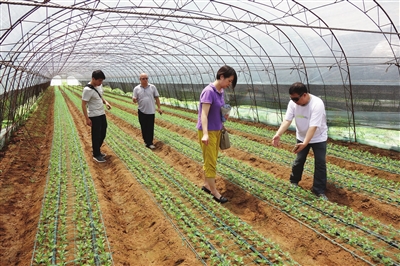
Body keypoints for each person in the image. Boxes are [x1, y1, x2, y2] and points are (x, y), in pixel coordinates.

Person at [272, 82, 329, 200]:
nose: (294, 101)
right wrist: (278, 134)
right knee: (299, 160)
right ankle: (294, 181)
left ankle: (319, 190)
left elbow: (313, 126)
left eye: (296, 98)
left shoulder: (317, 104)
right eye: (291, 98)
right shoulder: (293, 103)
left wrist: (305, 143)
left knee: (320, 163)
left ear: (304, 95)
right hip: (302, 136)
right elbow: (287, 120)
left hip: (318, 137)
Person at [197, 65, 237, 204]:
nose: (229, 84)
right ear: (221, 77)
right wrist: (205, 134)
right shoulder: (208, 91)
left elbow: (218, 111)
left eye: (231, 82)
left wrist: (223, 121)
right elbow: (204, 114)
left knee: (211, 158)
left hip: (217, 129)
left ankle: (207, 185)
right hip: (207, 131)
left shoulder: (220, 92)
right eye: (229, 81)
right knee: (210, 161)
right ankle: (214, 192)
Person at [81, 70, 111, 163]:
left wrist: (106, 102)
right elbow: (83, 104)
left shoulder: (99, 86)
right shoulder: (87, 90)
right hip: (94, 115)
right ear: (93, 79)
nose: (101, 83)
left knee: (103, 133)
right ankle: (96, 154)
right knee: (96, 135)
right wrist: (87, 118)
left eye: (102, 81)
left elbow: (100, 96)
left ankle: (97, 150)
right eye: (99, 80)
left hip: (102, 113)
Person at [132, 73, 162, 149]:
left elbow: (157, 98)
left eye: (146, 78)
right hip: (141, 110)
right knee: (143, 127)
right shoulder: (136, 88)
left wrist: (159, 107)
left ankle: (150, 142)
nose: (145, 80)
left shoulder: (152, 87)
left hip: (151, 110)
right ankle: (146, 141)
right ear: (140, 79)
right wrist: (134, 100)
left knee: (150, 127)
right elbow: (134, 100)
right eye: (143, 78)